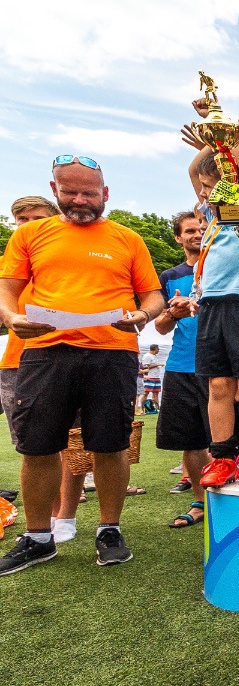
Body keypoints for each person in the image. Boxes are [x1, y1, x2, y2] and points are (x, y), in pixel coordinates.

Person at [0, 155, 164, 575]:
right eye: (70, 191)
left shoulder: (127, 238)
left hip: (113, 352)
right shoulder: (31, 235)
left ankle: (109, 529)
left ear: (105, 194)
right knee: (38, 446)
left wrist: (143, 316)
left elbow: (152, 296)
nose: (79, 199)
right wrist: (11, 317)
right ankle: (39, 537)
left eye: (88, 192)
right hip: (44, 350)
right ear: (54, 190)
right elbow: (8, 289)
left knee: (110, 445)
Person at [182, 94, 239, 490]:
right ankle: (221, 457)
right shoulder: (209, 216)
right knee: (218, 386)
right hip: (210, 306)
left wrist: (219, 125)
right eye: (202, 188)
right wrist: (207, 137)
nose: (204, 194)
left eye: (210, 186)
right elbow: (192, 169)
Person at [0, 195, 84, 544]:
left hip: (68, 356)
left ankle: (66, 516)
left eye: (37, 217)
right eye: (21, 219)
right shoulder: (10, 263)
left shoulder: (71, 257)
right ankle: (46, 519)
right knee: (36, 446)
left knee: (75, 442)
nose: (29, 224)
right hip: (17, 362)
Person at [155, 211, 211, 528]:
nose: (196, 233)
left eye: (201, 228)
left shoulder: (223, 267)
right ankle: (200, 503)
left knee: (226, 439)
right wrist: (174, 313)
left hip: (219, 365)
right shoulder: (170, 276)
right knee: (192, 441)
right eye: (189, 230)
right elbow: (161, 327)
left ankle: (231, 500)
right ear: (178, 237)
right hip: (181, 365)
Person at [139, 343, 163, 413]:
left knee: (156, 393)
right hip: (149, 377)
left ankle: (157, 408)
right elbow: (145, 367)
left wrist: (157, 366)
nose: (159, 350)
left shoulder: (154, 356)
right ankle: (141, 409)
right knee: (146, 393)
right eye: (158, 349)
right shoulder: (147, 356)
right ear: (154, 349)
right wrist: (157, 365)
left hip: (156, 377)